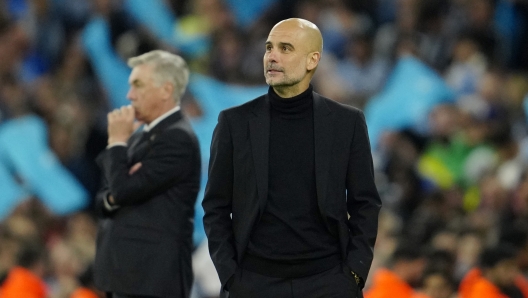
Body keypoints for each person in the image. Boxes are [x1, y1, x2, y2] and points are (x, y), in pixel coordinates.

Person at [202, 18, 381, 298]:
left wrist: (354, 274)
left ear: (312, 60)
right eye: (269, 48)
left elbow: (366, 204)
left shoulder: (347, 122)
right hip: (255, 284)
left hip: (329, 283)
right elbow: (215, 206)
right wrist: (231, 276)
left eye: (285, 48)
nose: (272, 56)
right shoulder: (234, 123)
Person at [93, 50, 201, 298]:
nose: (129, 95)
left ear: (166, 90)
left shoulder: (177, 138)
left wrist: (117, 143)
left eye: (138, 86)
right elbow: (104, 197)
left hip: (152, 280)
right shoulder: (140, 137)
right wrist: (114, 195)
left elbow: (121, 189)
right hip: (129, 276)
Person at [364, 244, 428, 298]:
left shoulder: (379, 283)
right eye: (417, 267)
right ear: (403, 264)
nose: (420, 274)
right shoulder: (388, 290)